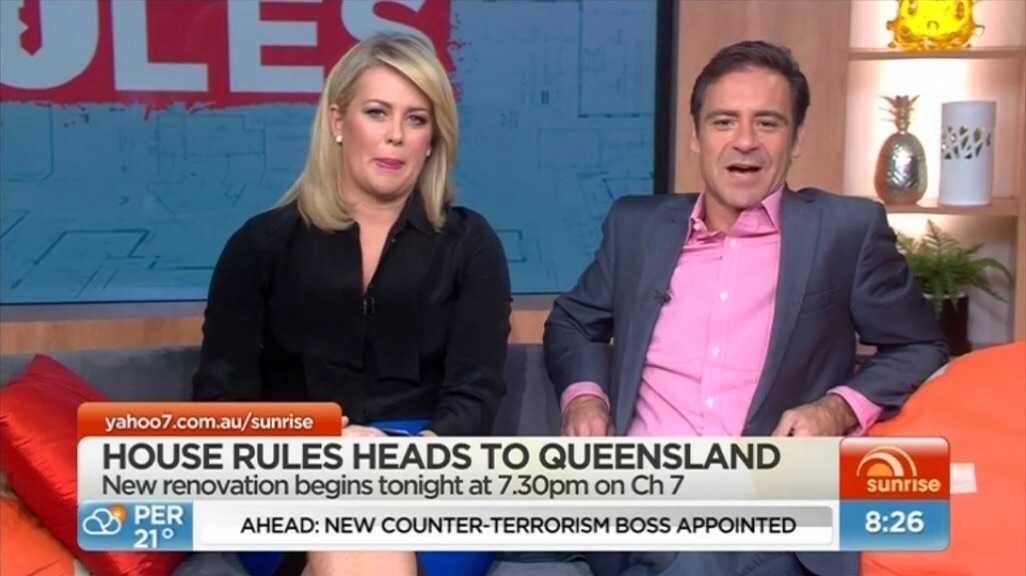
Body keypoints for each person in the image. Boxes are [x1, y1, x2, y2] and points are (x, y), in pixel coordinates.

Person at [542, 40, 948, 576]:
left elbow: (919, 344)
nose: (745, 142)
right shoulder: (637, 228)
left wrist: (836, 408)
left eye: (768, 123)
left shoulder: (844, 232)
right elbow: (573, 322)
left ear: (796, 139)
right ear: (696, 135)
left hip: (773, 508)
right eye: (724, 122)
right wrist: (584, 398)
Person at [191, 33, 511, 576]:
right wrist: (318, 444)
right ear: (338, 120)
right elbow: (221, 400)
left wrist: (397, 457)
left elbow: (474, 396)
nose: (395, 135)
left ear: (432, 139)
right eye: (377, 112)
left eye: (416, 119)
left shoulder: (469, 246)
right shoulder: (260, 246)